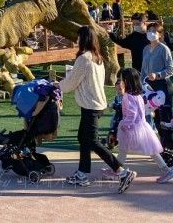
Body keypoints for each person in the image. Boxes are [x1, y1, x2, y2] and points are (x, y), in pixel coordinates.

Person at [58, 26, 135, 192]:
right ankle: (82, 173)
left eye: (78, 37)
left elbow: (71, 82)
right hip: (96, 103)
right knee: (83, 138)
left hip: (90, 105)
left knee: (92, 141)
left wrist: (57, 86)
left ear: (83, 39)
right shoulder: (97, 58)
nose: (76, 40)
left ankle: (121, 171)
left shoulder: (84, 59)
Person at [117, 67, 173, 183]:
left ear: (127, 81)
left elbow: (132, 114)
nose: (120, 83)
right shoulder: (138, 95)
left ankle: (116, 169)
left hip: (133, 128)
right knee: (151, 150)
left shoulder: (127, 97)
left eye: (121, 80)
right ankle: (167, 170)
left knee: (124, 148)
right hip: (142, 127)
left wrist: (125, 125)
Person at [141, 22, 173, 132]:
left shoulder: (163, 49)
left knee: (165, 119)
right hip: (149, 88)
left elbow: (171, 69)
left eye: (154, 31)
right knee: (154, 118)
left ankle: (169, 145)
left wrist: (158, 75)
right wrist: (141, 83)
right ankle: (159, 146)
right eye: (149, 31)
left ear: (160, 34)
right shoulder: (145, 49)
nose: (151, 33)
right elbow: (143, 69)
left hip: (163, 86)